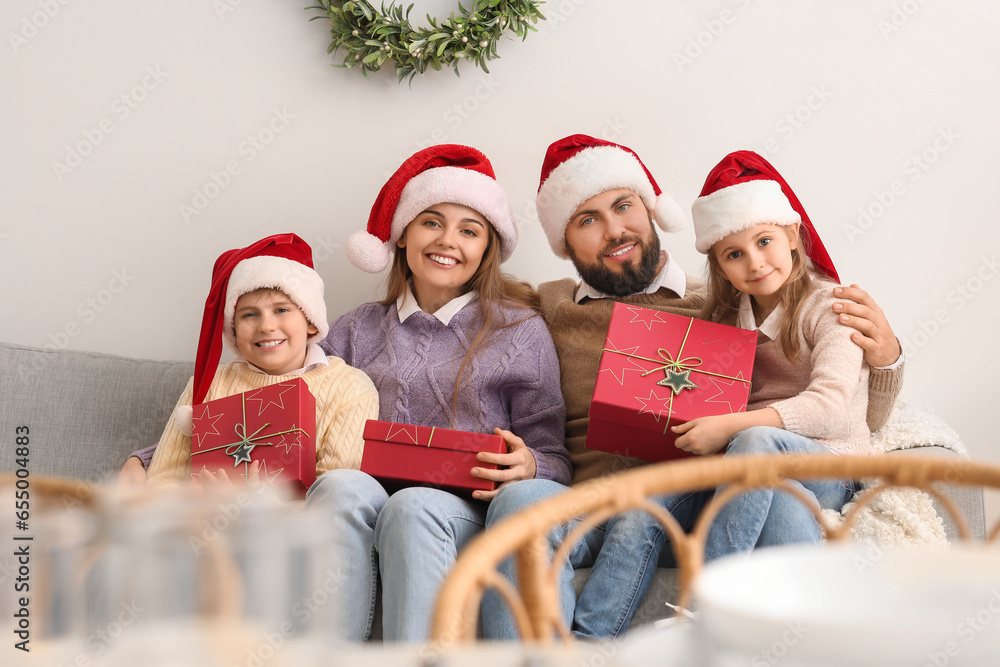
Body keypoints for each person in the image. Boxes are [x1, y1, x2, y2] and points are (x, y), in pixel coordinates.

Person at [481, 135, 903, 640]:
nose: (614, 229)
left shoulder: (729, 305)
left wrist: (886, 359)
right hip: (606, 498)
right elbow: (466, 304)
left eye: (623, 206)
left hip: (730, 480)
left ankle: (741, 621)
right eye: (587, 220)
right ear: (564, 242)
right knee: (580, 510)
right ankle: (577, 651)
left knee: (766, 475)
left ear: (652, 211)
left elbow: (855, 414)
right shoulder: (548, 305)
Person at [304, 145, 570, 642]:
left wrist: (530, 464)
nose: (448, 241)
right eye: (431, 222)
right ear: (402, 236)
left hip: (466, 511)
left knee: (416, 504)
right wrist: (153, 458)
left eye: (469, 230)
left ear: (486, 250)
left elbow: (554, 454)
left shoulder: (519, 330)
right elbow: (280, 394)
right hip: (373, 497)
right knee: (338, 486)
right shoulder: (358, 328)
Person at [145, 233, 379, 483]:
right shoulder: (209, 385)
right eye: (249, 315)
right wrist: (202, 503)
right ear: (233, 330)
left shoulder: (349, 389)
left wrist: (263, 509)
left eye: (281, 310)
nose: (266, 326)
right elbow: (161, 481)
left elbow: (339, 496)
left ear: (311, 321)